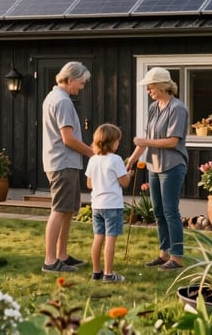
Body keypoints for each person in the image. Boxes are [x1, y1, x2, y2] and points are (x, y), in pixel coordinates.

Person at [127, 67, 189, 270]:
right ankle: (164, 255)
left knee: (171, 211)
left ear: (162, 85)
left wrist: (146, 141)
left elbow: (172, 141)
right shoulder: (154, 107)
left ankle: (177, 258)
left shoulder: (177, 108)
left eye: (150, 86)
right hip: (154, 165)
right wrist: (133, 159)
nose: (148, 90)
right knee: (158, 212)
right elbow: (146, 141)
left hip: (172, 166)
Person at [41, 61, 95, 273]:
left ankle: (61, 255)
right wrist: (93, 153)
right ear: (70, 79)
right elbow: (68, 139)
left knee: (67, 211)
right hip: (62, 162)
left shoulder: (54, 97)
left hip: (63, 162)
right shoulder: (62, 101)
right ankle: (50, 260)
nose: (81, 87)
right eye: (80, 83)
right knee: (59, 210)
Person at [85, 123, 132, 283]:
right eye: (117, 141)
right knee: (110, 239)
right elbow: (124, 182)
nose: (118, 144)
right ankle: (109, 274)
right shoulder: (116, 159)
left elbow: (89, 184)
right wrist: (129, 174)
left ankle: (96, 272)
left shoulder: (93, 160)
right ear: (111, 142)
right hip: (112, 205)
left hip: (96, 205)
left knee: (98, 237)